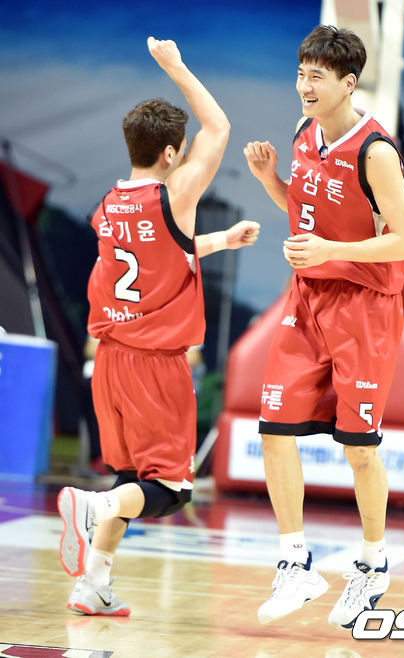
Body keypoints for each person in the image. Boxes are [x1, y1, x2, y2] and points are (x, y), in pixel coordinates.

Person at [57, 36, 260, 616]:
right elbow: (218, 127)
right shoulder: (174, 192)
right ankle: (92, 508)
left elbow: (157, 257)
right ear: (171, 153)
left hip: (110, 361)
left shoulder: (108, 205)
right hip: (154, 365)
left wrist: (218, 240)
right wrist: (176, 67)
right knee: (169, 492)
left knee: (131, 478)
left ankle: (93, 583)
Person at [243, 25, 404, 631]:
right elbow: (305, 211)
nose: (304, 86)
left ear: (348, 83)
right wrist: (271, 182)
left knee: (359, 449)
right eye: (300, 73)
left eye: (316, 76)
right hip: (307, 299)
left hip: (364, 307)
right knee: (273, 429)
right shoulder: (303, 132)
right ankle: (295, 563)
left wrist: (330, 253)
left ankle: (372, 563)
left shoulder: (376, 152)